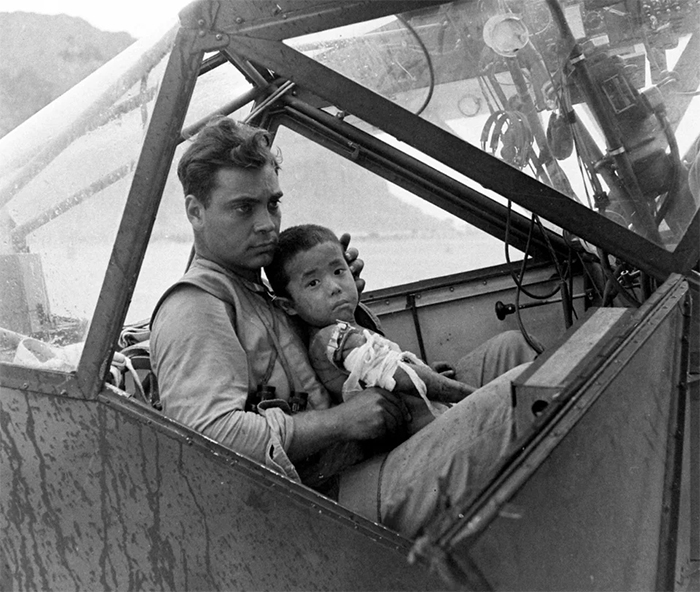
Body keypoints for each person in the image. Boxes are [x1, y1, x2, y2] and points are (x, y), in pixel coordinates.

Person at [150, 116, 537, 538]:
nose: (267, 224)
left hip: (360, 450)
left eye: (273, 204)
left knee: (510, 351)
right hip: (328, 504)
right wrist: (341, 421)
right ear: (196, 211)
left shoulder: (255, 284)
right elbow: (208, 439)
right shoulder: (196, 308)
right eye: (244, 207)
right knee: (524, 396)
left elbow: (323, 362)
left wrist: (342, 304)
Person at [265, 223, 477, 434]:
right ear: (288, 306)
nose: (334, 287)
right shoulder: (331, 337)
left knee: (509, 343)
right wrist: (473, 395)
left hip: (437, 417)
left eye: (339, 271)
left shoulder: (346, 326)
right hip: (430, 430)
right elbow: (400, 376)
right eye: (313, 283)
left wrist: (427, 371)